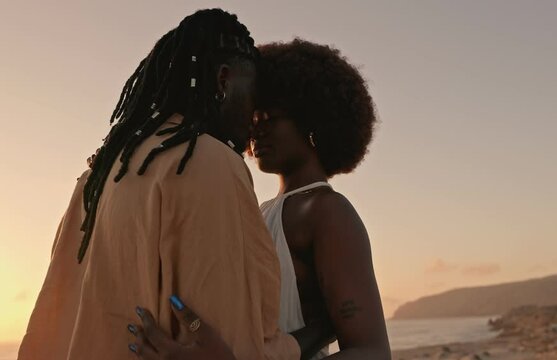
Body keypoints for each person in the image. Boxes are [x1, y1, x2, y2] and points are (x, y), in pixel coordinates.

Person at [18, 9, 304, 360]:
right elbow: (235, 342)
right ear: (224, 81)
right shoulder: (210, 164)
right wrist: (307, 337)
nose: (253, 121)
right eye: (253, 99)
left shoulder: (97, 175)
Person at [129, 39, 391, 360]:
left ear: (312, 121)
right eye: (254, 118)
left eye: (270, 117)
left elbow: (372, 351)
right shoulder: (259, 208)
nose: (257, 130)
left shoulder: (327, 212)